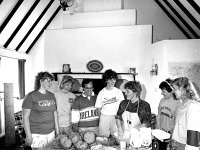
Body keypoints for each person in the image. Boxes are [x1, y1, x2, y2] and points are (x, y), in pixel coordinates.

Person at [22, 71, 59, 149]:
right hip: (37, 134)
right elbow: (25, 118)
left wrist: (57, 131)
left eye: (51, 81)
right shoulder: (30, 96)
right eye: (48, 81)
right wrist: (28, 136)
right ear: (41, 81)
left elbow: (55, 113)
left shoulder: (52, 95)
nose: (50, 83)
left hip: (51, 133)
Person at [171, 77, 200, 150]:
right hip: (176, 144)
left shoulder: (193, 106)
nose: (173, 92)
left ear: (181, 89)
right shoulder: (181, 104)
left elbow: (193, 137)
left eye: (175, 89)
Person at [95, 69, 125, 137]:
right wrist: (102, 119)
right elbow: (98, 109)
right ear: (106, 80)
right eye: (110, 79)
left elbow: (123, 106)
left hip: (116, 117)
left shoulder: (118, 92)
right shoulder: (101, 92)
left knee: (117, 136)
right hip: (104, 117)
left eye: (114, 79)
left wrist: (121, 118)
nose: (113, 81)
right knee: (103, 137)